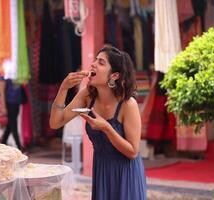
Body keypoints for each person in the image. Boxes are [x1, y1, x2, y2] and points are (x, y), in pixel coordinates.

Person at [50, 46, 147, 199]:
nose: (93, 64)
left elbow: (133, 151)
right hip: (102, 171)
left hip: (126, 174)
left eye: (101, 62)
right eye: (95, 60)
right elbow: (56, 122)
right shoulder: (88, 96)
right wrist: (63, 88)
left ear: (114, 75)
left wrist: (107, 128)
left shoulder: (128, 105)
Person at [0, 77, 22, 150]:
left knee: (10, 125)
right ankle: (19, 147)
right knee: (13, 125)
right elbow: (1, 92)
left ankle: (2, 143)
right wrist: (3, 107)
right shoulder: (3, 74)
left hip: (16, 102)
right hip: (9, 103)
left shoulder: (16, 72)